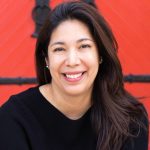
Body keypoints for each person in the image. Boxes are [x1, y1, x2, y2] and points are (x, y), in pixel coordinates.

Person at [0, 1, 149, 150]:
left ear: (100, 54)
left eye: (84, 46)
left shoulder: (131, 119)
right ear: (46, 59)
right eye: (59, 49)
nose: (72, 61)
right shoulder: (13, 119)